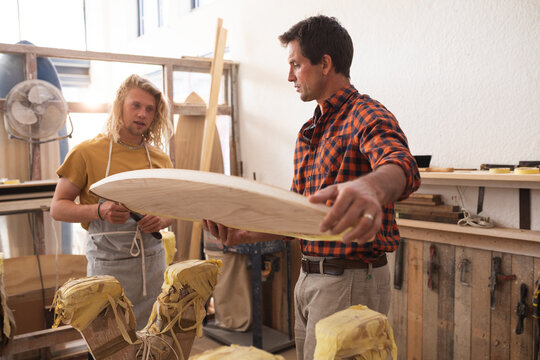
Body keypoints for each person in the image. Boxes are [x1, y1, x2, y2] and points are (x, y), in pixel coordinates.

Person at [203, 15, 420, 360]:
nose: (289, 76)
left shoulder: (366, 114)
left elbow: (402, 165)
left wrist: (372, 188)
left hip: (348, 280)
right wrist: (244, 233)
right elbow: (297, 215)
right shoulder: (309, 131)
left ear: (325, 64)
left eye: (295, 65)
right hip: (309, 278)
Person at [50, 74, 175, 329]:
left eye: (150, 109)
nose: (142, 114)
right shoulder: (87, 152)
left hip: (151, 267)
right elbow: (58, 207)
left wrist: (161, 219)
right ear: (120, 105)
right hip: (107, 267)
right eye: (136, 105)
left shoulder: (160, 159)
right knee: (107, 339)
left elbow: (173, 209)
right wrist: (99, 210)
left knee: (150, 337)